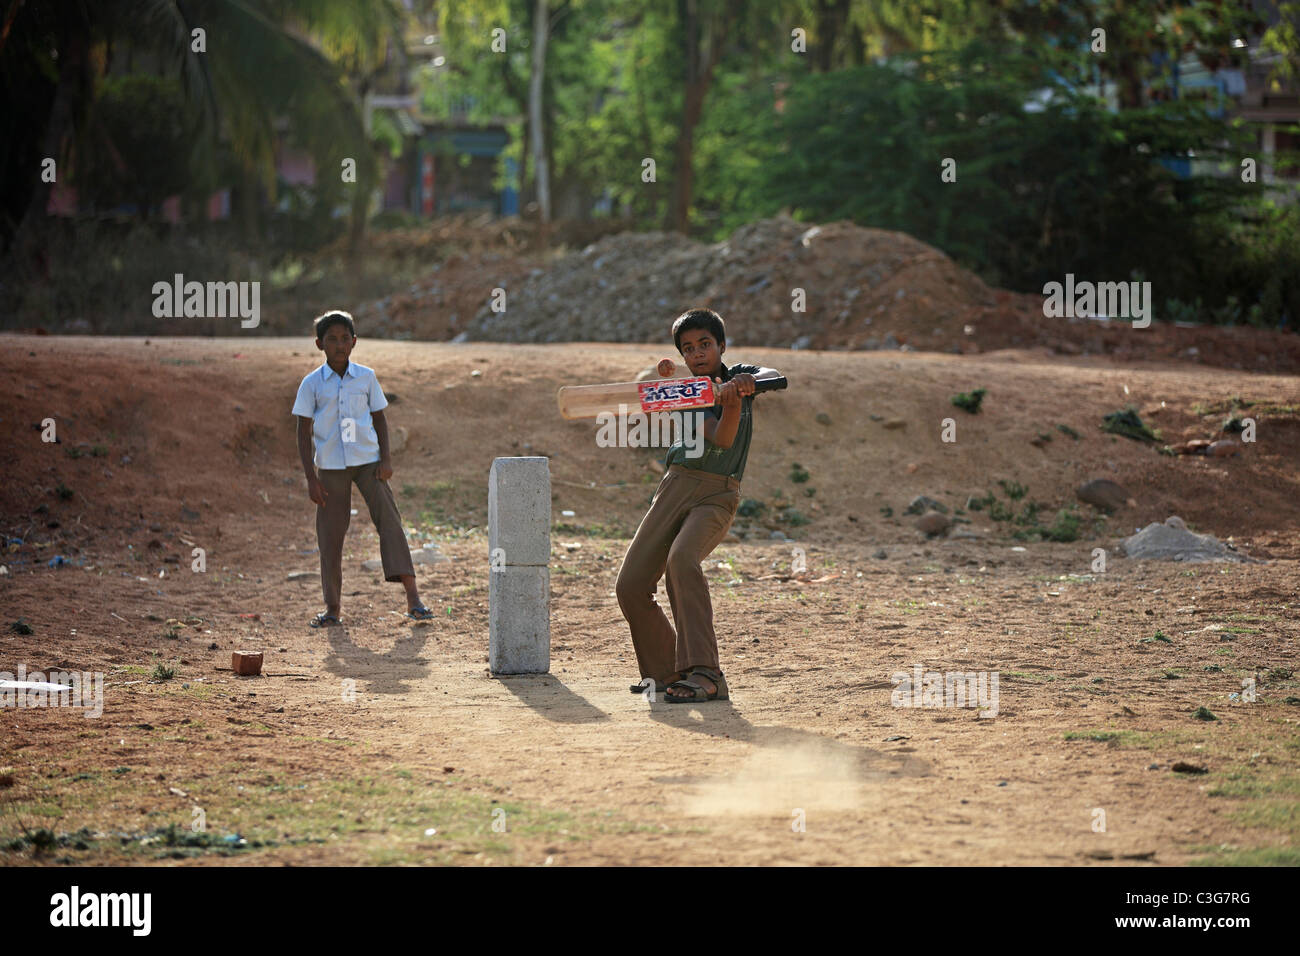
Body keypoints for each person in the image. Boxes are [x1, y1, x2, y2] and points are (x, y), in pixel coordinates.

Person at [615, 308, 784, 702]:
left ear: (721, 346)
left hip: (716, 493)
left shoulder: (737, 373)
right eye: (688, 349)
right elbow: (714, 435)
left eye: (705, 344)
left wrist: (741, 387)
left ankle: (706, 674)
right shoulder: (683, 393)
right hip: (674, 487)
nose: (697, 353)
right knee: (631, 585)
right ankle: (666, 673)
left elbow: (774, 377)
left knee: (682, 560)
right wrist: (716, 400)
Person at [291, 310, 432, 627]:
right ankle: (332, 609)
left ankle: (414, 599)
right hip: (330, 469)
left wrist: (386, 459)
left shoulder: (366, 377)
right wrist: (311, 479)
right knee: (330, 536)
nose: (339, 345)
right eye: (332, 340)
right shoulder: (311, 384)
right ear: (319, 344)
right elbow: (302, 432)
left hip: (370, 464)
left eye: (344, 339)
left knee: (391, 524)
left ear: (354, 342)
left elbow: (380, 419)